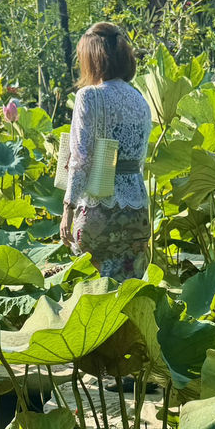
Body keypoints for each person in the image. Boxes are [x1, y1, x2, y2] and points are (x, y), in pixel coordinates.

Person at [59, 22, 152, 281]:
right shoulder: (140, 100)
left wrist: (68, 207)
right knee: (128, 295)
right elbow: (138, 159)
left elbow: (81, 159)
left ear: (91, 59)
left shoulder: (89, 97)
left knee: (94, 295)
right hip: (137, 213)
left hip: (99, 211)